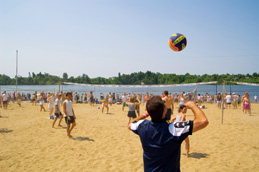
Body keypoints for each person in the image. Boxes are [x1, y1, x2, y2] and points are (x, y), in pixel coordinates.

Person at [128, 96, 208, 172]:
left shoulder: (143, 126)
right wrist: (193, 106)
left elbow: (130, 124)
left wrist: (144, 115)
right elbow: (203, 121)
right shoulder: (174, 129)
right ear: (164, 110)